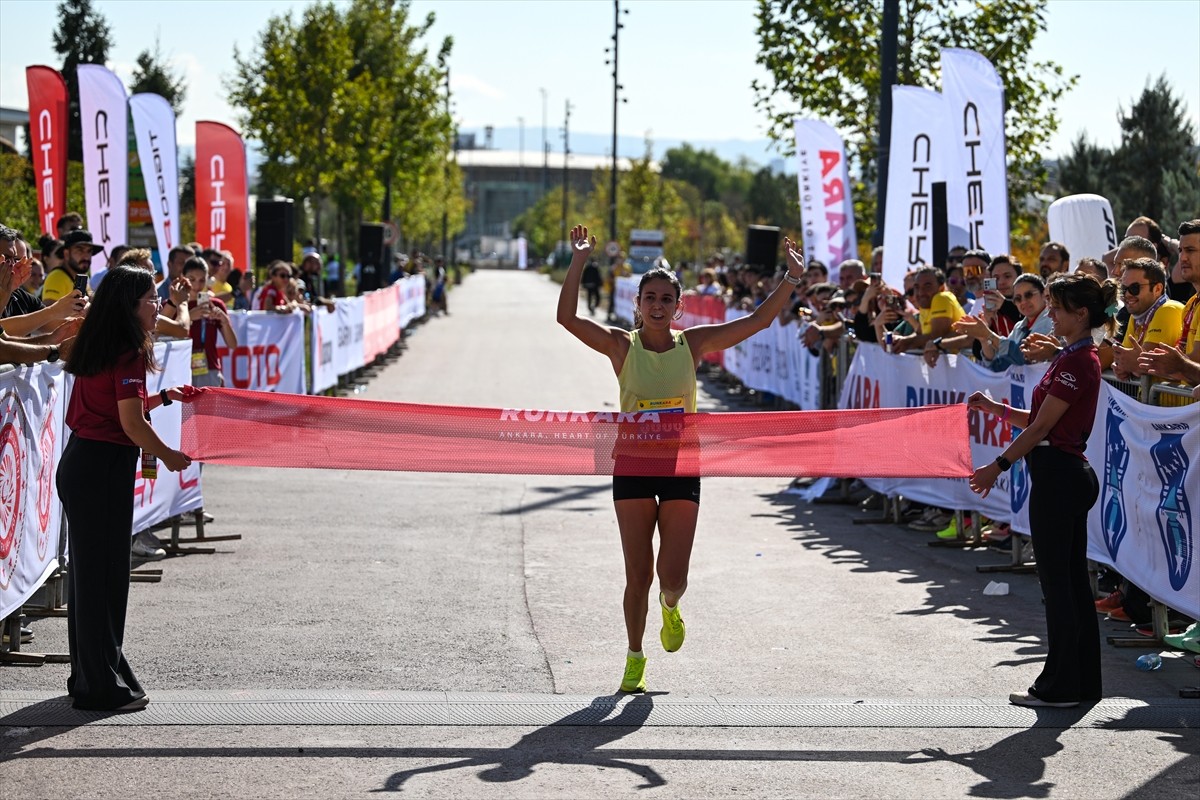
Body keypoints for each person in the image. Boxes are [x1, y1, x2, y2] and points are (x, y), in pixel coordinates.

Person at [556, 223, 807, 694]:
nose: (656, 306)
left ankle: (671, 608)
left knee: (671, 577)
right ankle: (634, 658)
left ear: (678, 307)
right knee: (638, 574)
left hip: (679, 466)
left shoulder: (693, 344)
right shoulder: (619, 345)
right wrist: (579, 260)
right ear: (637, 304)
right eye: (648, 298)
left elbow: (755, 323)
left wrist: (791, 279)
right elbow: (567, 319)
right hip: (631, 463)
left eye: (665, 299)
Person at [967, 272, 1118, 708]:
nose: (1050, 312)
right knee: (1069, 584)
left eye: (1057, 307)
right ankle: (1082, 683)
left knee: (1059, 586)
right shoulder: (1068, 355)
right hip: (1061, 473)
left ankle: (1059, 687)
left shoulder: (1077, 359)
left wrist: (997, 466)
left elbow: (1043, 429)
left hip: (1061, 475)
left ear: (1081, 313)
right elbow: (1038, 419)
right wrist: (996, 408)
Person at [58, 265, 199, 711]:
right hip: (100, 467)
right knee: (103, 579)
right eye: (150, 300)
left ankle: (90, 676)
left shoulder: (100, 341)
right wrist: (172, 456)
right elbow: (131, 424)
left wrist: (163, 398)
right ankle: (99, 686)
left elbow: (120, 409)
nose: (158, 307)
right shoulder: (128, 350)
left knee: (90, 579)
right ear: (128, 306)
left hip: (84, 462)